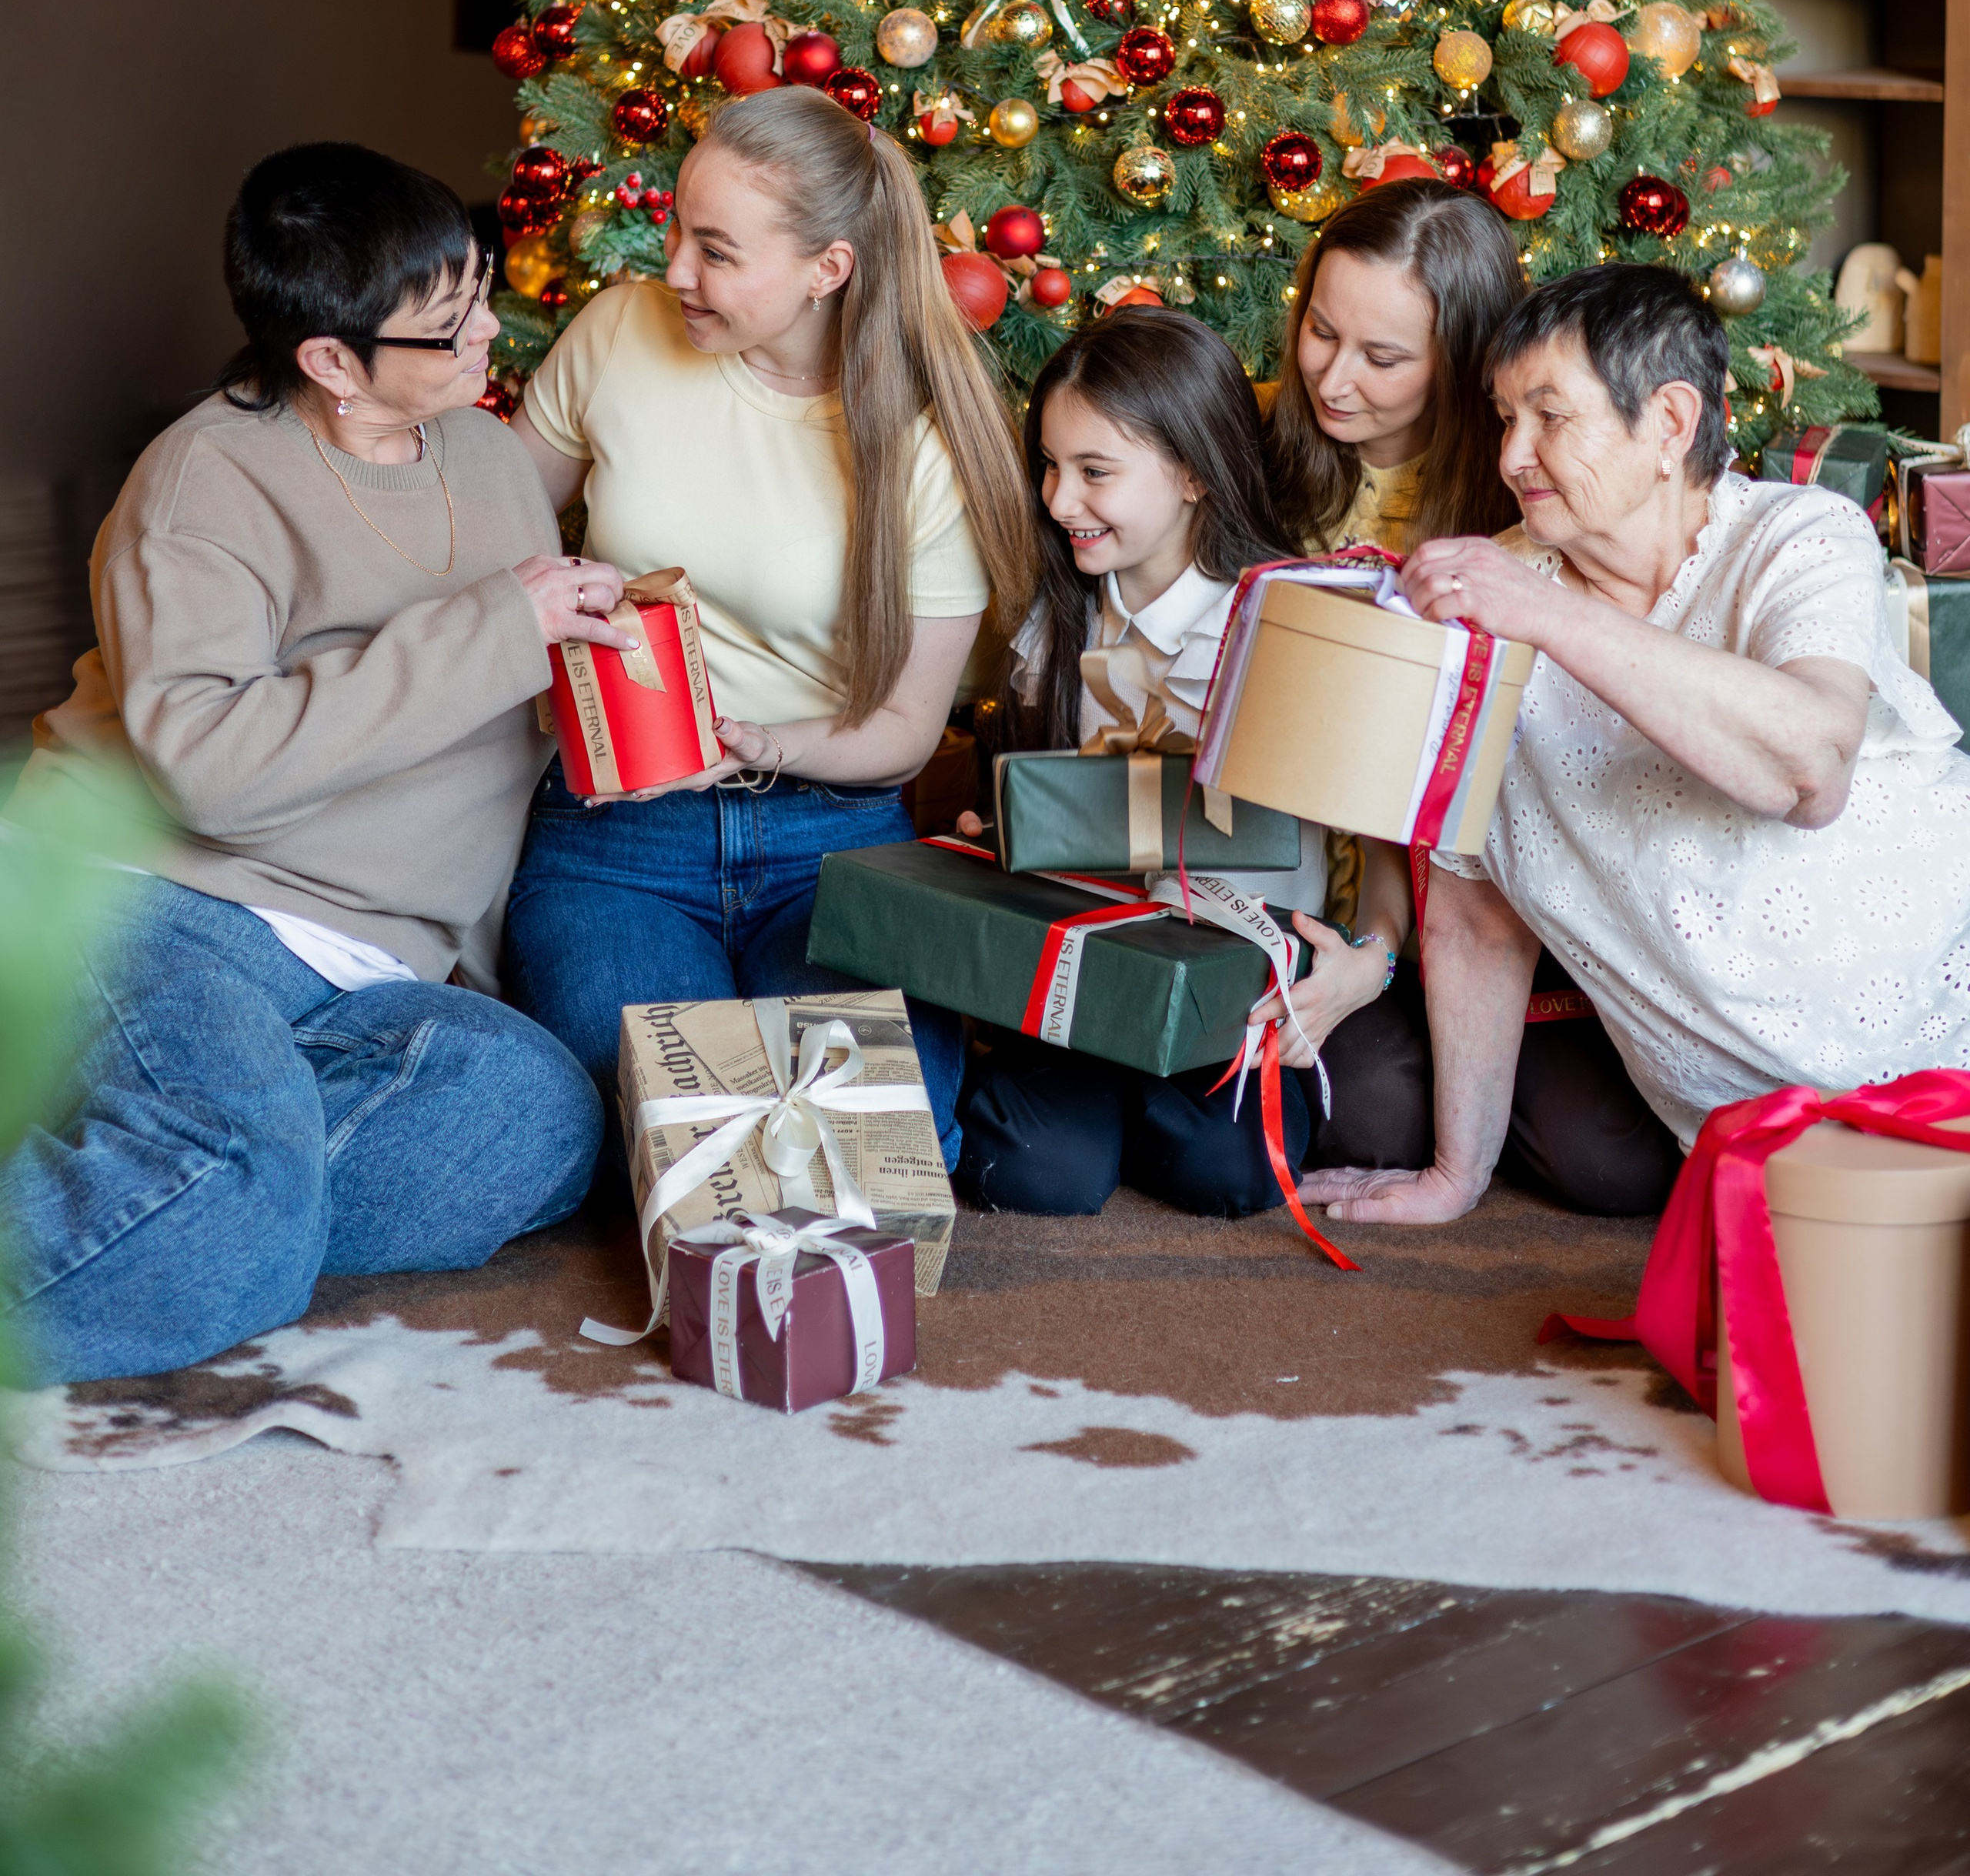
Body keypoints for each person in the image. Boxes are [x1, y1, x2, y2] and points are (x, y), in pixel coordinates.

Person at [8, 144, 615, 1385]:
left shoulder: (488, 458)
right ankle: (220, 1200)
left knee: (539, 1120)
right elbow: (210, 772)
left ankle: (180, 1177)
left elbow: (472, 735)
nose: (489, 334)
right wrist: (503, 627)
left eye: (482, 293)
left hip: (371, 963)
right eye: (448, 330)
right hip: (170, 903)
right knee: (237, 1220)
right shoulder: (202, 483)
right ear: (332, 361)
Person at [1316, 262, 1970, 1232]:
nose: (1511, 456)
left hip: (1945, 1061)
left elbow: (1809, 768)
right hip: (1755, 1139)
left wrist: (1545, 614)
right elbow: (1476, 918)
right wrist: (1454, 1178)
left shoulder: (1798, 536)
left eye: (1549, 416)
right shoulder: (1493, 614)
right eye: (1504, 419)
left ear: (1668, 423)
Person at [504, 87, 1036, 1164]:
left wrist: (767, 746)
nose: (675, 273)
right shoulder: (618, 335)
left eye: (716, 250)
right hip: (618, 832)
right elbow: (488, 532)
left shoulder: (928, 441)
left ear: (826, 269)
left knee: (867, 1140)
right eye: (675, 231)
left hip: (830, 839)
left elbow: (905, 725)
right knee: (660, 1123)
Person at [1265, 182, 1685, 1218]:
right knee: (1363, 1113)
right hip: (1320, 881)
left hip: (1486, 903)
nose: (1333, 376)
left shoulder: (1524, 511)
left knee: (1613, 1162)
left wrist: (1384, 951)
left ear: (1461, 368)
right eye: (1321, 330)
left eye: (1384, 357)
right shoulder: (1259, 457)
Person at [956, 306, 1357, 1218]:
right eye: (1050, 467)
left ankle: (1132, 1114)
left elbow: (1359, 832)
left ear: (1192, 474)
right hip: (1081, 972)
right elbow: (1024, 801)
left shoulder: (1282, 628)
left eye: (1095, 472)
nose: (1059, 501)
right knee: (1032, 1174)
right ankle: (1086, 1116)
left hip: (1227, 985)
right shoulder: (1048, 621)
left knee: (1233, 1175)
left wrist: (1361, 958)